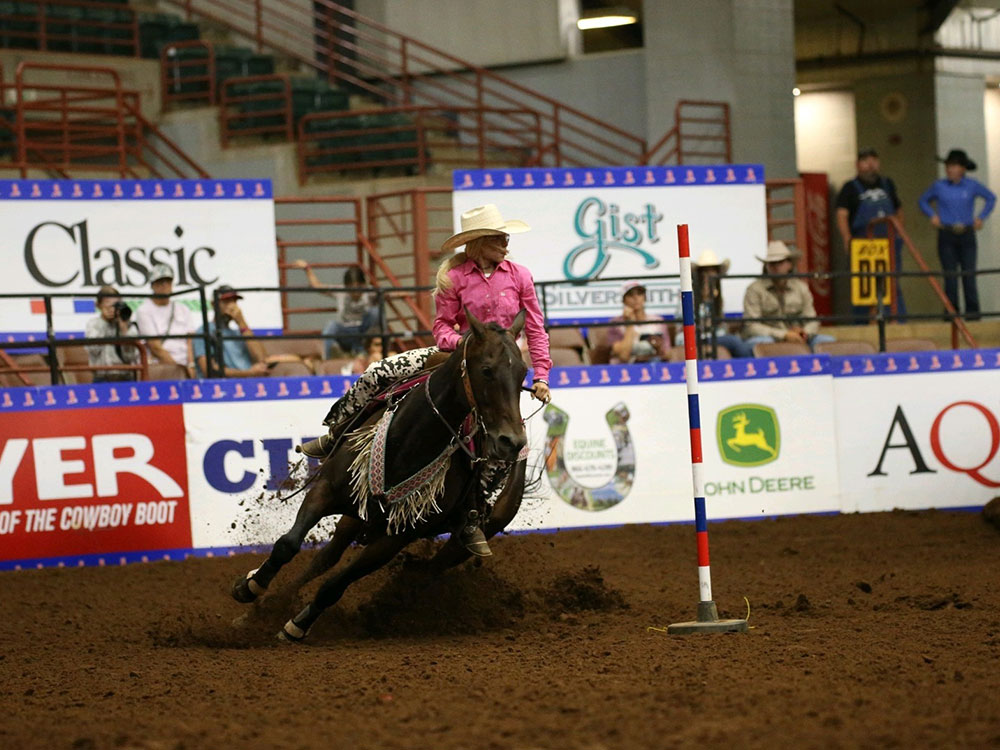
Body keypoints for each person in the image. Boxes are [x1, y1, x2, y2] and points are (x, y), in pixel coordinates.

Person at [299, 204, 552, 557]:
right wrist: (462, 346)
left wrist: (541, 373)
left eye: (504, 236)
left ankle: (471, 515)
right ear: (479, 243)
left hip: (499, 373)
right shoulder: (455, 277)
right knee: (379, 372)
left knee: (501, 447)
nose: (506, 242)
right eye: (498, 237)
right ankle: (337, 433)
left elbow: (536, 328)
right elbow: (441, 327)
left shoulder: (519, 275)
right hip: (456, 360)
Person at [918, 148, 996, 321]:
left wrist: (981, 218)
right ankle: (951, 316)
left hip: (967, 234)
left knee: (969, 276)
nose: (950, 170)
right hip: (947, 234)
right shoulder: (939, 186)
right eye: (948, 166)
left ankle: (973, 316)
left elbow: (991, 198)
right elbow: (923, 200)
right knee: (950, 277)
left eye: (953, 166)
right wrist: (932, 216)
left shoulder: (972, 185)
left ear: (962, 168)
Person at [835, 147, 907, 320]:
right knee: (863, 284)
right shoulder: (850, 187)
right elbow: (841, 214)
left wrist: (899, 232)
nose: (870, 165)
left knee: (891, 282)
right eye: (865, 161)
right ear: (857, 164)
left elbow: (899, 210)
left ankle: (896, 320)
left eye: (874, 160)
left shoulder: (887, 184)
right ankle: (864, 323)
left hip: (889, 240)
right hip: (863, 242)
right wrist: (847, 239)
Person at [743, 240, 835, 354]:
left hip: (800, 337)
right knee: (763, 342)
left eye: (780, 262)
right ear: (766, 266)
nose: (776, 267)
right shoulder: (755, 289)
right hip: (771, 338)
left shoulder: (801, 287)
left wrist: (803, 333)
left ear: (789, 264)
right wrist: (784, 335)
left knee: (828, 342)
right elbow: (752, 326)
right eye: (772, 263)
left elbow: (812, 320)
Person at [672, 249, 754, 358]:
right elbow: (681, 324)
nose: (709, 275)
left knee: (739, 343)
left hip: (714, 336)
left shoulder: (718, 298)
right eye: (706, 271)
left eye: (713, 271)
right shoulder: (688, 296)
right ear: (699, 274)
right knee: (735, 342)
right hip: (692, 337)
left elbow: (721, 325)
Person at [293, 261, 380, 357]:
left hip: (363, 334)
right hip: (345, 332)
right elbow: (317, 286)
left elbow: (390, 294)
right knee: (331, 325)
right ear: (346, 287)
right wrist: (307, 268)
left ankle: (362, 349)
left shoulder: (370, 291)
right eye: (351, 289)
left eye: (358, 288)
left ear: (364, 285)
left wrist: (399, 291)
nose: (355, 293)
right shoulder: (340, 291)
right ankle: (326, 359)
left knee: (375, 311)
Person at [192, 285, 270, 378]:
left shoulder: (240, 332)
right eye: (226, 301)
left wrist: (242, 323)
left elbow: (262, 359)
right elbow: (209, 371)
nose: (232, 306)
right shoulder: (205, 331)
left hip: (250, 385)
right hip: (224, 387)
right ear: (214, 304)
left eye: (234, 301)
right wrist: (249, 373)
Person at [135, 263, 197, 376]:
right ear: (152, 285)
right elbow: (155, 347)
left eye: (168, 281)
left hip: (185, 366)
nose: (165, 285)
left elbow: (190, 341)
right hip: (160, 366)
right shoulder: (144, 310)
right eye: (160, 282)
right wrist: (179, 369)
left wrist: (191, 365)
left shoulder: (183, 309)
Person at [84, 285, 140, 382]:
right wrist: (104, 322)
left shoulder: (128, 324)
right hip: (101, 378)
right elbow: (93, 349)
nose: (111, 308)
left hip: (126, 377)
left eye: (115, 304)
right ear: (99, 305)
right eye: (108, 303)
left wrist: (124, 328)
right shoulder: (93, 324)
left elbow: (131, 356)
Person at [606, 281, 669, 364]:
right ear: (624, 300)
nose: (636, 298)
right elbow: (624, 356)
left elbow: (668, 355)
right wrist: (629, 324)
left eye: (639, 294)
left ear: (645, 298)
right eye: (631, 295)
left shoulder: (657, 321)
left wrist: (658, 348)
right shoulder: (616, 323)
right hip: (626, 369)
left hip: (653, 365)